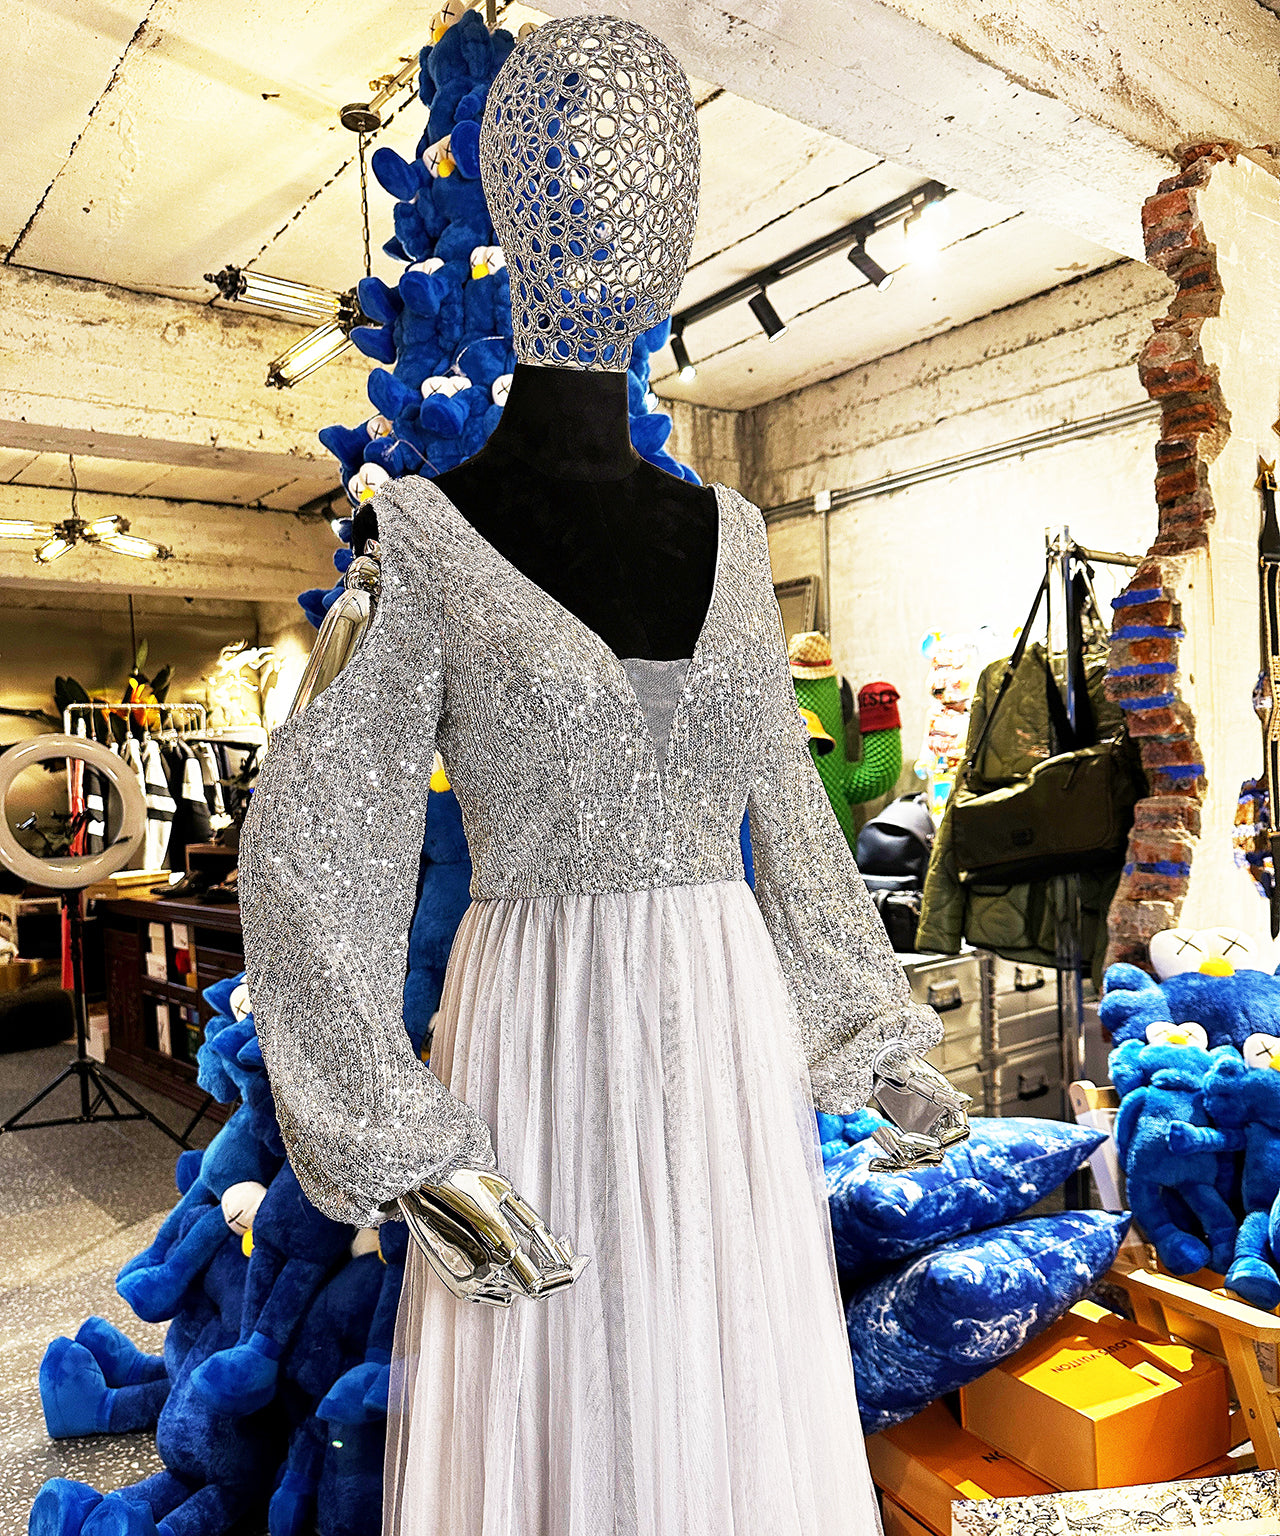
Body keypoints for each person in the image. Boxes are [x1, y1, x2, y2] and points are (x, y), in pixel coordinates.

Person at [240, 17, 942, 1534]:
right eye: (581, 177)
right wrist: (402, 1140)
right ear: (512, 193)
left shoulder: (735, 541)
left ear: (681, 225)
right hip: (539, 1026)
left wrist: (871, 1027)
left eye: (652, 180)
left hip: (722, 1021)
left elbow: (792, 814)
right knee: (559, 1405)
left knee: (716, 1374)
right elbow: (314, 848)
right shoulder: (425, 539)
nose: (617, 222)